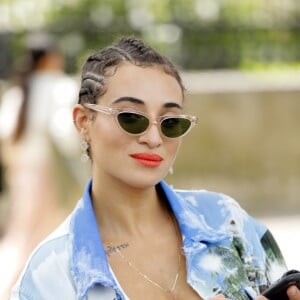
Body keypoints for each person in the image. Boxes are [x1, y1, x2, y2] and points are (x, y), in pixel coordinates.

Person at [9, 36, 300, 300]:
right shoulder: (48, 278)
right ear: (84, 122)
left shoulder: (228, 224)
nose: (152, 138)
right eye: (131, 117)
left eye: (171, 122)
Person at [0, 32, 79, 299]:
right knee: (31, 233)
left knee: (30, 229)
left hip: (21, 171)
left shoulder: (18, 87)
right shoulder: (57, 85)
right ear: (50, 58)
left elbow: (6, 134)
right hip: (45, 171)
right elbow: (63, 130)